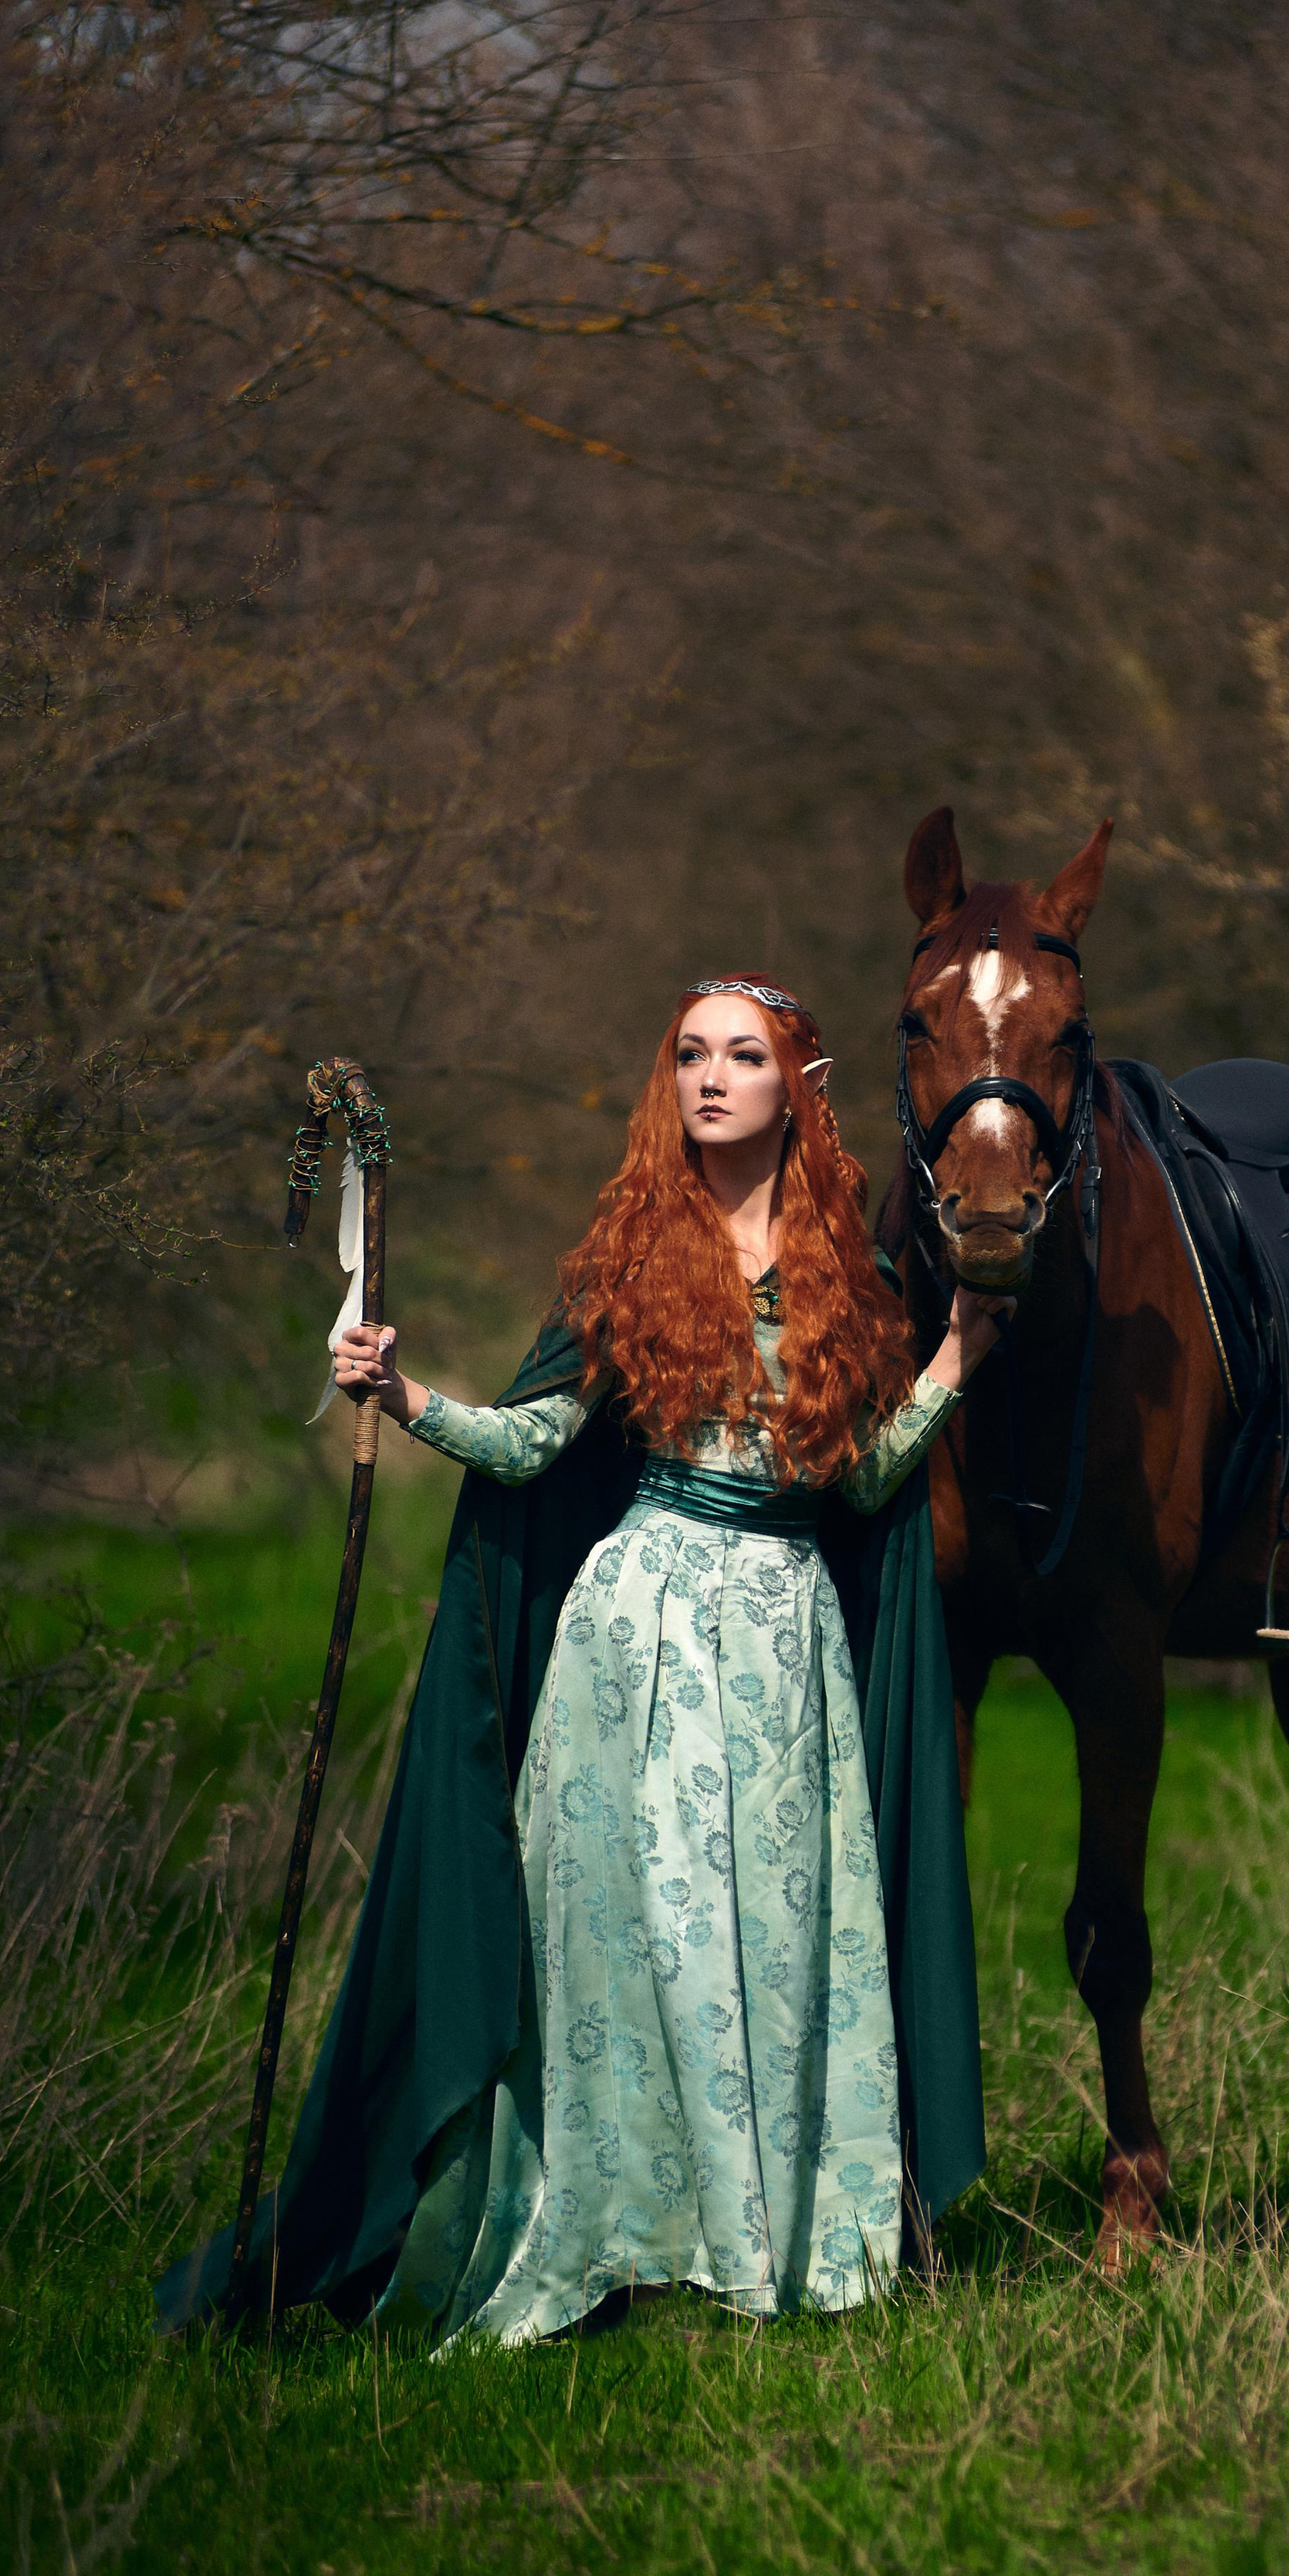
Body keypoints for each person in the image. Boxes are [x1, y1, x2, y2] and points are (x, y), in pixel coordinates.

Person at [157, 978, 1000, 2342]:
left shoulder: (857, 1278)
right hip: (641, 1636)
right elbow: (537, 1444)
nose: (711, 1077)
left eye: (743, 1055)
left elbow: (862, 1494)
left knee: (775, 1951)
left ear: (802, 1081)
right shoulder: (631, 1257)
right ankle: (615, 2237)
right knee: (634, 1947)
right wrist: (405, 1393)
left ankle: (755, 2248)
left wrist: (955, 1360)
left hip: (787, 1646)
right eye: (689, 1054)